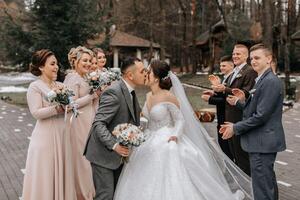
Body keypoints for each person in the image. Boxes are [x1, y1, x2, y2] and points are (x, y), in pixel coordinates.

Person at [113, 60, 253, 200]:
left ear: (155, 77)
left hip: (167, 139)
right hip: (148, 139)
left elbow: (180, 119)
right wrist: (131, 131)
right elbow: (145, 118)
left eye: (148, 72)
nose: (145, 74)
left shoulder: (168, 96)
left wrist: (175, 135)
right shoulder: (148, 96)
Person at [220, 44, 286, 200]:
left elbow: (261, 116)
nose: (253, 61)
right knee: (262, 185)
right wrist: (239, 103)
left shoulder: (270, 81)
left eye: (257, 58)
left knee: (263, 189)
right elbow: (256, 108)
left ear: (269, 59)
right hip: (259, 141)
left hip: (263, 142)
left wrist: (236, 127)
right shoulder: (261, 79)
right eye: (251, 58)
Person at [84, 57, 146, 200]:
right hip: (102, 154)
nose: (145, 73)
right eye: (142, 71)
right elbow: (98, 124)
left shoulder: (131, 91)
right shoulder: (114, 92)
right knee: (105, 196)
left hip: (117, 157)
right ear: (130, 75)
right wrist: (115, 145)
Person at [22, 49, 75, 200]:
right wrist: (57, 108)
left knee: (61, 174)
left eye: (57, 64)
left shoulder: (60, 85)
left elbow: (70, 106)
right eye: (52, 64)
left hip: (62, 136)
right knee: (46, 176)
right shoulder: (35, 87)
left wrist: (71, 107)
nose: (56, 67)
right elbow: (36, 112)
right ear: (41, 67)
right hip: (45, 139)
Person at [212, 44, 257, 176]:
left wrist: (224, 89)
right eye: (234, 54)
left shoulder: (249, 71)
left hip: (239, 119)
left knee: (242, 157)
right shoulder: (235, 72)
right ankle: (239, 185)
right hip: (229, 119)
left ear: (246, 56)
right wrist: (216, 92)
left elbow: (246, 93)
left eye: (238, 54)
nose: (235, 56)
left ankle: (248, 188)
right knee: (234, 155)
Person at [64, 46, 99, 200]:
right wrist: (92, 96)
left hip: (88, 122)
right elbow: (71, 105)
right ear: (75, 62)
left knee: (88, 160)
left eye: (89, 61)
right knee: (82, 161)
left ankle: (88, 193)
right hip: (78, 125)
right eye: (84, 60)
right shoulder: (72, 78)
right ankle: (82, 195)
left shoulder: (85, 78)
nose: (88, 63)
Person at [201, 55, 234, 160]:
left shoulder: (231, 80)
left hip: (227, 119)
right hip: (221, 118)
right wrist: (213, 93)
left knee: (228, 151)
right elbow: (223, 96)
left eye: (224, 66)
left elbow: (228, 100)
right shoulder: (225, 79)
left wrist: (210, 99)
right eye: (220, 66)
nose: (221, 68)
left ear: (231, 65)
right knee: (224, 149)